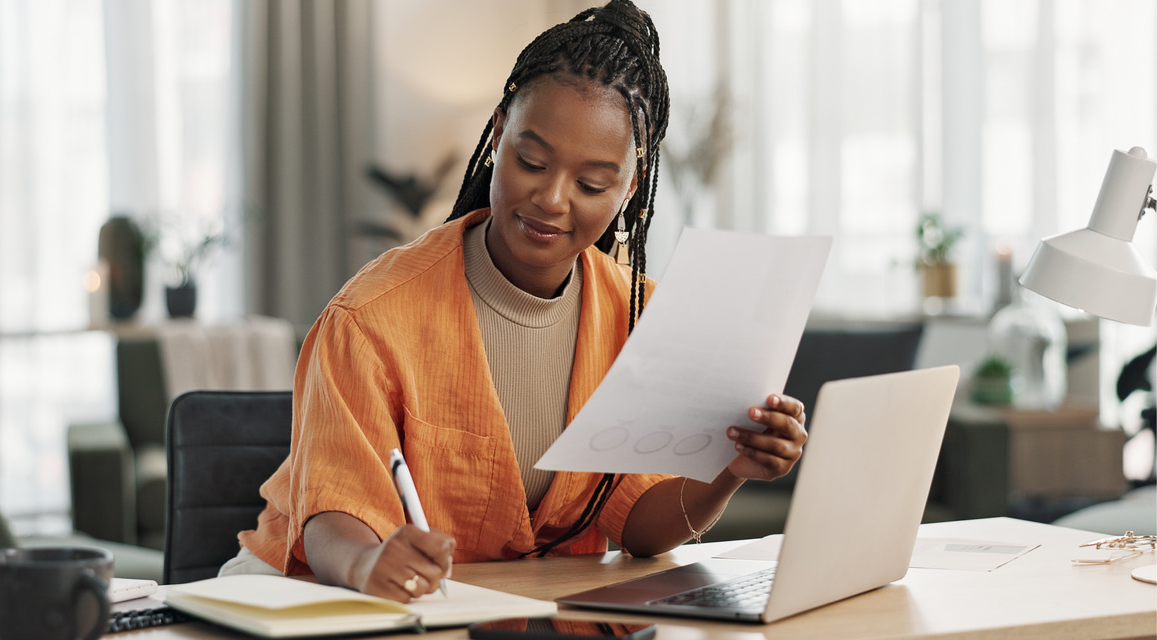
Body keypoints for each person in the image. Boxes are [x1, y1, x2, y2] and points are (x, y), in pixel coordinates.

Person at [228, 0, 807, 604]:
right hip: (312, 595)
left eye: (591, 184)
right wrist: (370, 561)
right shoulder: (371, 317)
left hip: (506, 606)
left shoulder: (640, 319)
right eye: (531, 162)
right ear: (499, 132)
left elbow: (640, 530)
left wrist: (730, 470)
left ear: (629, 189)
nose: (552, 199)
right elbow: (331, 517)